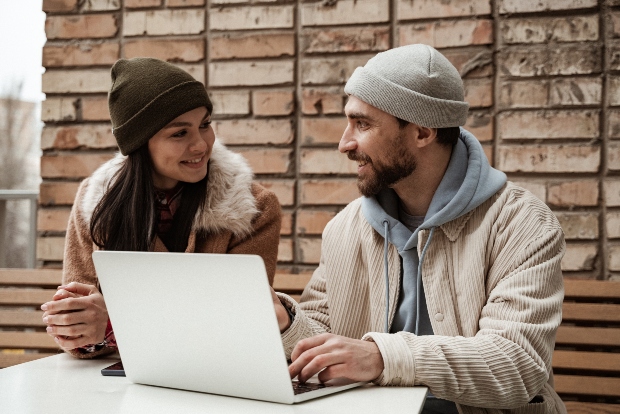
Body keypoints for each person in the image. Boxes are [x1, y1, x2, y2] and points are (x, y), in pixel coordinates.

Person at [271, 44, 566, 413]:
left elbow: (517, 365)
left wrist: (382, 356)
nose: (344, 143)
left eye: (362, 124)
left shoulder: (522, 224)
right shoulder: (345, 228)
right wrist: (285, 320)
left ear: (422, 132)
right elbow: (326, 342)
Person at [42, 57, 281, 359]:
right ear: (140, 143)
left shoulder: (253, 209)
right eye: (179, 133)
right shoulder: (96, 202)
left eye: (205, 125)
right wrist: (73, 323)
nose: (201, 145)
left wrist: (114, 324)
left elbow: (240, 325)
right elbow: (81, 337)